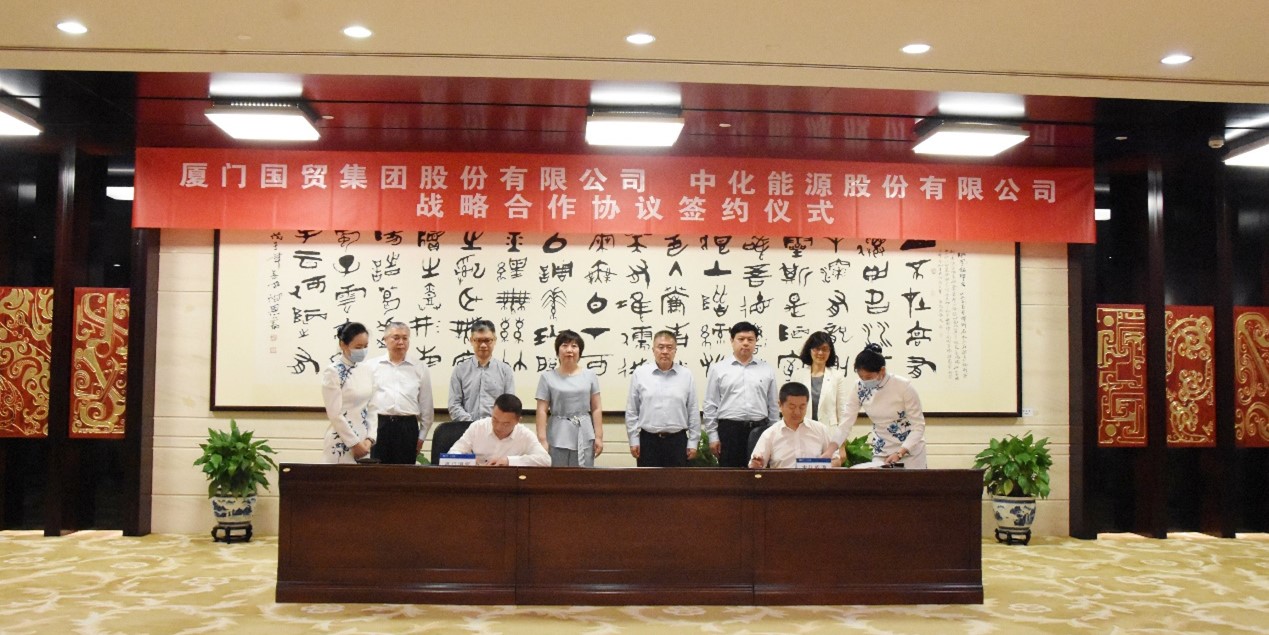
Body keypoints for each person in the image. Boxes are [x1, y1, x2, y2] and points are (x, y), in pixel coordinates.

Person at [830, 343, 928, 468]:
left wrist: (900, 453)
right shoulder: (859, 387)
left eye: (869, 377)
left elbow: (918, 426)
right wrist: (830, 450)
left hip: (910, 451)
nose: (865, 381)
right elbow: (846, 423)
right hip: (882, 449)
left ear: (882, 370)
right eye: (861, 377)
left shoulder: (903, 386)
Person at [703, 321, 779, 468]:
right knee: (730, 475)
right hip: (730, 431)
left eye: (750, 339)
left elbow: (773, 405)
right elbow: (710, 404)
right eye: (741, 339)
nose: (745, 343)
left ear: (756, 342)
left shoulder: (767, 369)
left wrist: (774, 434)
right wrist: (712, 435)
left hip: (759, 430)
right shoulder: (718, 369)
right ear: (732, 341)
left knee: (759, 475)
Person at [625, 330, 700, 467]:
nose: (665, 351)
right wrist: (634, 439)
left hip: (677, 441)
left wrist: (693, 442)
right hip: (648, 441)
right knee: (648, 480)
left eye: (669, 347)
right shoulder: (640, 374)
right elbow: (632, 410)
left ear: (675, 351)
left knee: (677, 480)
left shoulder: (686, 375)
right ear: (653, 350)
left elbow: (693, 410)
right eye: (660, 347)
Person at [367, 321, 434, 464]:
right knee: (377, 472)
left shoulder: (419, 367)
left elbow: (426, 407)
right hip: (379, 426)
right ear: (385, 340)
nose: (401, 342)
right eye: (396, 337)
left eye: (405, 338)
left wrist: (421, 437)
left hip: (407, 427)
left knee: (405, 473)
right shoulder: (371, 366)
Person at [535, 330, 604, 467]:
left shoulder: (590, 375)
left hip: (584, 431)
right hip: (557, 433)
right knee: (557, 476)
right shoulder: (547, 377)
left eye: (574, 346)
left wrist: (599, 436)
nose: (569, 350)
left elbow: (596, 408)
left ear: (580, 351)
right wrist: (542, 439)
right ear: (557, 351)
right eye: (564, 345)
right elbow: (541, 410)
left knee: (583, 475)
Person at [749, 382, 842, 469]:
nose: (797, 412)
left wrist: (822, 466)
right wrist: (756, 464)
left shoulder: (820, 430)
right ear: (780, 405)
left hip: (814, 480)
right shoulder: (770, 434)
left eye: (802, 407)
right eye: (792, 407)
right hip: (782, 480)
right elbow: (754, 466)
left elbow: (836, 460)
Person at [321, 322, 377, 464]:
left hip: (364, 444)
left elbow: (373, 407)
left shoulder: (367, 370)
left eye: (365, 346)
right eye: (358, 347)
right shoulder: (333, 372)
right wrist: (354, 443)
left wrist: (370, 439)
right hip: (341, 441)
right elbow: (335, 413)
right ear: (343, 345)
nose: (363, 351)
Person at [448, 393, 550, 467]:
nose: (498, 427)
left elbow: (545, 460)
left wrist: (509, 461)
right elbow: (452, 453)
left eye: (505, 424)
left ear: (518, 421)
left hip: (507, 484)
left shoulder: (524, 434)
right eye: (495, 420)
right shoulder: (478, 427)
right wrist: (469, 461)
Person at [447, 319, 515, 423]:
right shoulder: (460, 370)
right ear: (471, 340)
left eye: (487, 340)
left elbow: (509, 405)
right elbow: (454, 405)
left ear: (495, 340)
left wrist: (492, 424)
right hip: (466, 428)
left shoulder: (505, 371)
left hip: (496, 428)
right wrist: (473, 425)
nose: (483, 345)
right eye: (478, 340)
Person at [790, 331, 849, 429]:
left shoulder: (837, 376)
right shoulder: (798, 375)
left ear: (830, 352)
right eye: (817, 349)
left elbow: (842, 409)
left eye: (825, 349)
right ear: (809, 350)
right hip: (803, 429)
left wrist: (842, 434)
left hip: (829, 430)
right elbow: (791, 405)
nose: (820, 353)